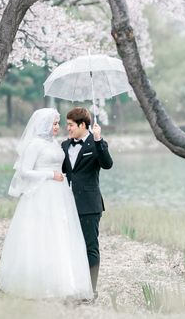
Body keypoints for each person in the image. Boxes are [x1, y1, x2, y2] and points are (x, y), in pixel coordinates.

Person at [0, 108, 93, 300]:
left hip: (59, 194)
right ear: (43, 124)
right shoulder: (34, 145)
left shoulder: (55, 143)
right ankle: (39, 282)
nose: (58, 127)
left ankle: (65, 281)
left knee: (60, 233)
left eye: (58, 123)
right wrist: (50, 175)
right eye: (55, 123)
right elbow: (25, 171)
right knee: (41, 234)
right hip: (41, 193)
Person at [62, 107, 113, 301]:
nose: (68, 128)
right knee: (71, 246)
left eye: (71, 125)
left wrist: (99, 139)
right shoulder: (65, 146)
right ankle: (75, 286)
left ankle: (91, 291)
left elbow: (107, 164)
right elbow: (63, 171)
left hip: (89, 205)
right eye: (67, 125)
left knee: (90, 247)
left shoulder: (96, 143)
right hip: (68, 204)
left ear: (83, 125)